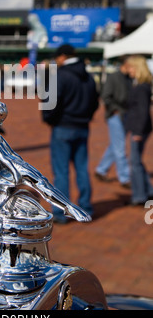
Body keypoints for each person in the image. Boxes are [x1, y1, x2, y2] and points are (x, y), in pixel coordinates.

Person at [42, 44, 99, 223]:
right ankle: (85, 208)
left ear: (62, 57)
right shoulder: (88, 77)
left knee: (61, 172)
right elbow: (95, 102)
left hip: (63, 126)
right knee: (82, 168)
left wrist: (49, 119)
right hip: (82, 126)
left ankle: (61, 213)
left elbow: (51, 102)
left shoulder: (60, 76)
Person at [95, 57, 131, 186]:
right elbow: (105, 95)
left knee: (115, 145)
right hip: (115, 115)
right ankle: (124, 178)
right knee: (120, 147)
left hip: (125, 115)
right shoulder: (113, 77)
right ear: (126, 64)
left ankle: (101, 169)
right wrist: (114, 110)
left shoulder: (129, 78)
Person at [125, 56, 153, 205]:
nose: (128, 70)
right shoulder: (142, 85)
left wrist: (137, 132)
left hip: (139, 128)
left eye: (131, 67)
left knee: (135, 162)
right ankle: (147, 191)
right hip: (140, 127)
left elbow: (142, 111)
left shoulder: (141, 87)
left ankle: (139, 196)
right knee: (137, 161)